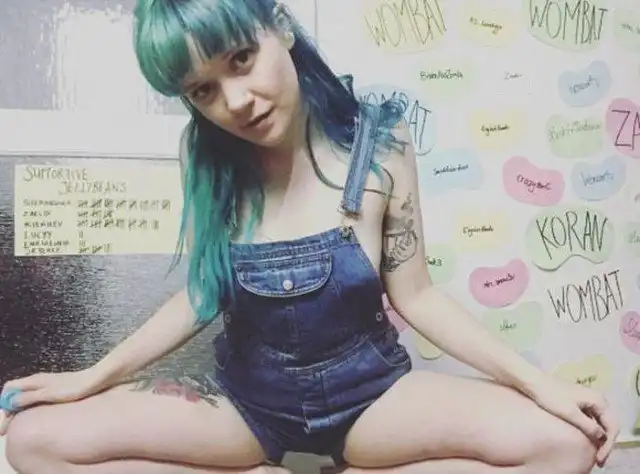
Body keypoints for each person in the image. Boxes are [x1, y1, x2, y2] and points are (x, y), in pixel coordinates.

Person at [1, 0, 619, 473]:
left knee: (565, 445)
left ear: (281, 27)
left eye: (241, 58)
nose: (236, 102)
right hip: (246, 405)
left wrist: (539, 384)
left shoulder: (380, 143)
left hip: (373, 399)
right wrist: (91, 377)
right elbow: (203, 292)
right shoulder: (206, 155)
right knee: (32, 441)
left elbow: (418, 296)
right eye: (203, 90)